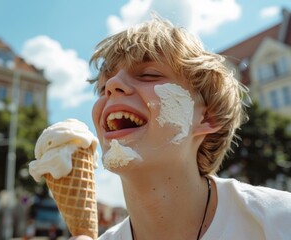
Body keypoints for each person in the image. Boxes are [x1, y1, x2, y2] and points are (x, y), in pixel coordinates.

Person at [71, 15, 291, 240]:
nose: (112, 86)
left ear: (208, 117)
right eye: (102, 87)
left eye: (149, 75)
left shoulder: (280, 221)